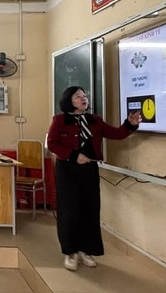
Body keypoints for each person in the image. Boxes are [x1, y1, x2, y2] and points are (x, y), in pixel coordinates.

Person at [47, 86, 142, 271]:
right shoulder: (59, 120)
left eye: (84, 96)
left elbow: (116, 133)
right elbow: (52, 143)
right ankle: (71, 252)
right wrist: (73, 155)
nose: (83, 99)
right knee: (69, 210)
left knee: (90, 208)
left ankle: (86, 250)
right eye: (78, 96)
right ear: (68, 100)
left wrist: (130, 125)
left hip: (89, 169)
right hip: (67, 169)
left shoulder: (94, 120)